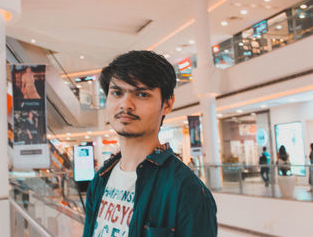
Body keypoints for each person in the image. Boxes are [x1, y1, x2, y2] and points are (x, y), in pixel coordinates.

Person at [83, 51, 217, 237]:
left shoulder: (187, 190)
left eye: (141, 94)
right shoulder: (100, 179)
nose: (125, 104)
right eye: (117, 93)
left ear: (167, 104)